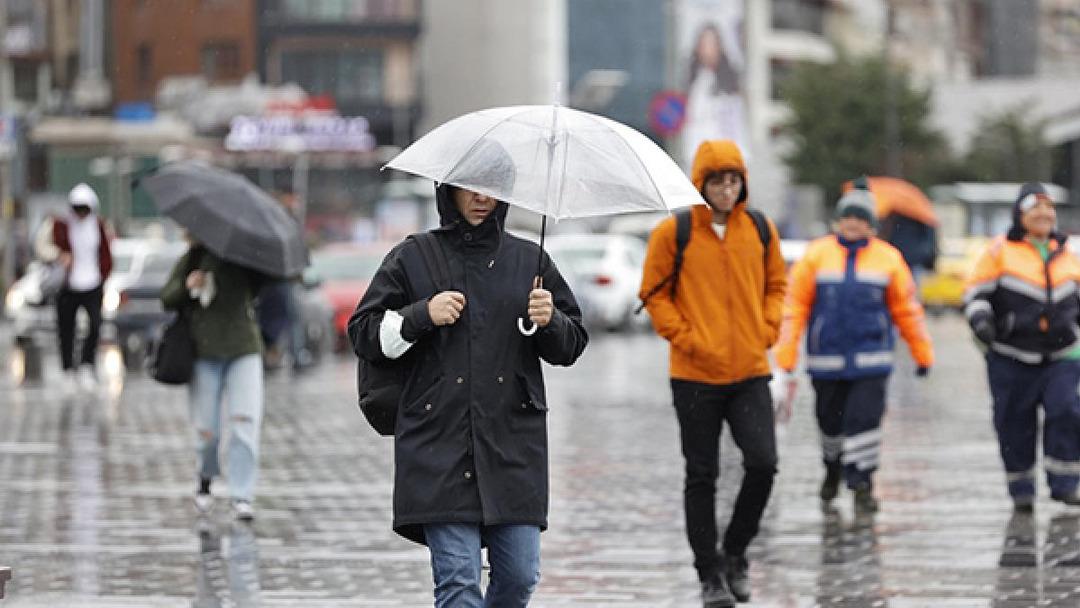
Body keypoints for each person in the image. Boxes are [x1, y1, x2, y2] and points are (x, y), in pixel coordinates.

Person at [348, 174, 588, 606]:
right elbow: (363, 333)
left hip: (514, 447)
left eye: (493, 188)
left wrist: (550, 319)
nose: (482, 197)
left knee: (519, 577)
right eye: (471, 186)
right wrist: (420, 315)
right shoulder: (412, 257)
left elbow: (570, 347)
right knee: (458, 583)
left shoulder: (529, 260)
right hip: (438, 446)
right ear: (448, 190)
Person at [639, 139, 786, 607]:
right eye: (716, 181)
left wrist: (766, 327)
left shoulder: (760, 229)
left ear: (743, 183)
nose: (726, 189)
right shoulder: (674, 233)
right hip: (695, 375)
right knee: (701, 474)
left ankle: (736, 552)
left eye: (733, 180)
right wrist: (688, 338)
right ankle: (709, 574)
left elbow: (778, 285)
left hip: (749, 371)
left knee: (763, 463)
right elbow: (654, 295)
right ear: (700, 184)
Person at [775, 187, 934, 515]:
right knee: (829, 423)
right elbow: (795, 306)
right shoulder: (816, 255)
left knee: (866, 421)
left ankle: (862, 482)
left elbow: (907, 310)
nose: (852, 224)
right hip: (826, 361)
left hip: (871, 360)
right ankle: (832, 468)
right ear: (837, 221)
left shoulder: (888, 259)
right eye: (847, 217)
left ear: (872, 225)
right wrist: (786, 354)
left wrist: (922, 352)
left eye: (860, 218)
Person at [964, 183, 1080, 512]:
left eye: (1049, 209)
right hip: (1011, 355)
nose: (1044, 215)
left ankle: (1065, 483)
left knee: (1067, 411)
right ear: (1020, 215)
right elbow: (975, 294)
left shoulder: (1067, 253)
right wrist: (982, 322)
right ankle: (1021, 489)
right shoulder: (998, 251)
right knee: (1014, 421)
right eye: (1035, 209)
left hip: (1063, 354)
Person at [161, 239, 269, 521]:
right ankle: (205, 479)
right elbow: (167, 296)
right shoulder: (193, 257)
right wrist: (188, 286)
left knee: (245, 423)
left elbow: (266, 285)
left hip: (243, 350)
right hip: (203, 352)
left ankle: (241, 495)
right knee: (206, 430)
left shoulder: (247, 257)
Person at [34, 183, 113, 392]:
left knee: (95, 325)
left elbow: (106, 254)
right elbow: (41, 246)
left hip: (93, 284)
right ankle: (68, 369)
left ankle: (87, 365)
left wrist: (104, 275)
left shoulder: (99, 226)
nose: (81, 214)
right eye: (77, 209)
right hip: (67, 285)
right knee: (66, 329)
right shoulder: (59, 225)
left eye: (84, 209)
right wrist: (60, 256)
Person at [683, 22, 748, 166]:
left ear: (720, 46)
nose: (707, 49)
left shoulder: (729, 83)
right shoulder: (694, 81)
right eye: (704, 43)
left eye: (711, 43)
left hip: (723, 156)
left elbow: (734, 122)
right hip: (696, 155)